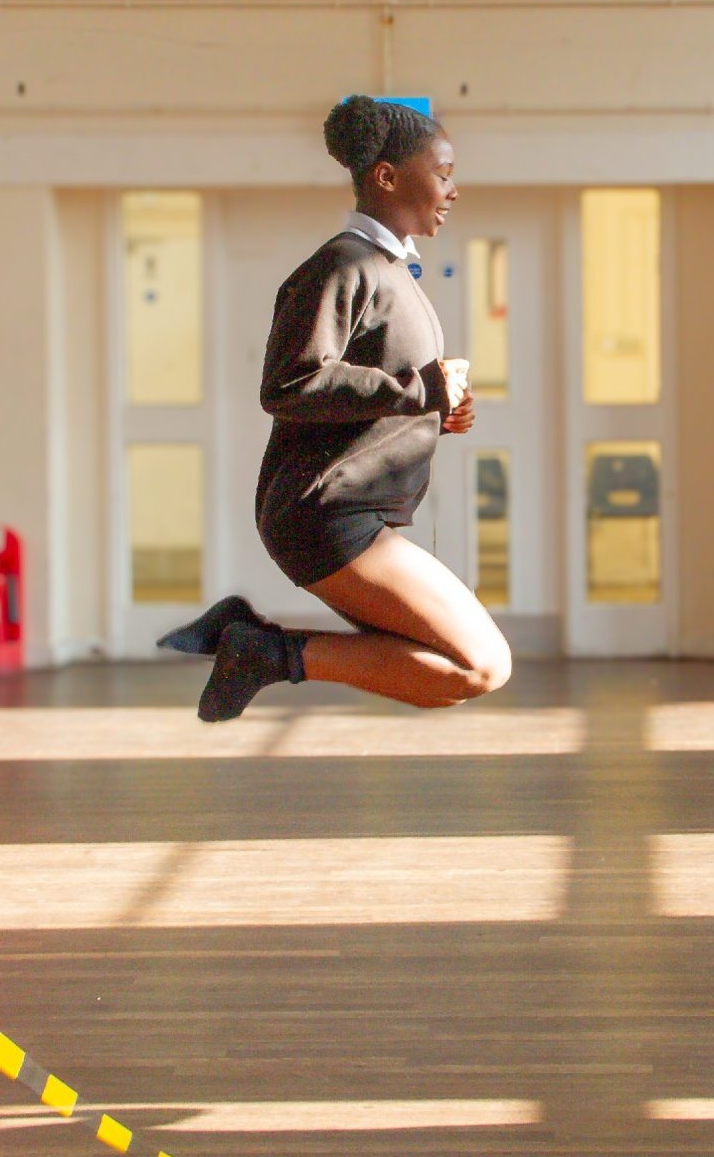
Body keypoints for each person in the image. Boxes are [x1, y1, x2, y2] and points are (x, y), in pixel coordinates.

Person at [163, 95, 510, 723]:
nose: (453, 189)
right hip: (323, 512)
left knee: (468, 666)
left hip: (355, 510)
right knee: (480, 664)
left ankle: (261, 648)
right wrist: (417, 392)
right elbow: (290, 385)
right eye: (443, 172)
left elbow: (386, 391)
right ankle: (263, 651)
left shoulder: (394, 272)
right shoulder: (341, 266)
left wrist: (439, 411)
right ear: (386, 176)